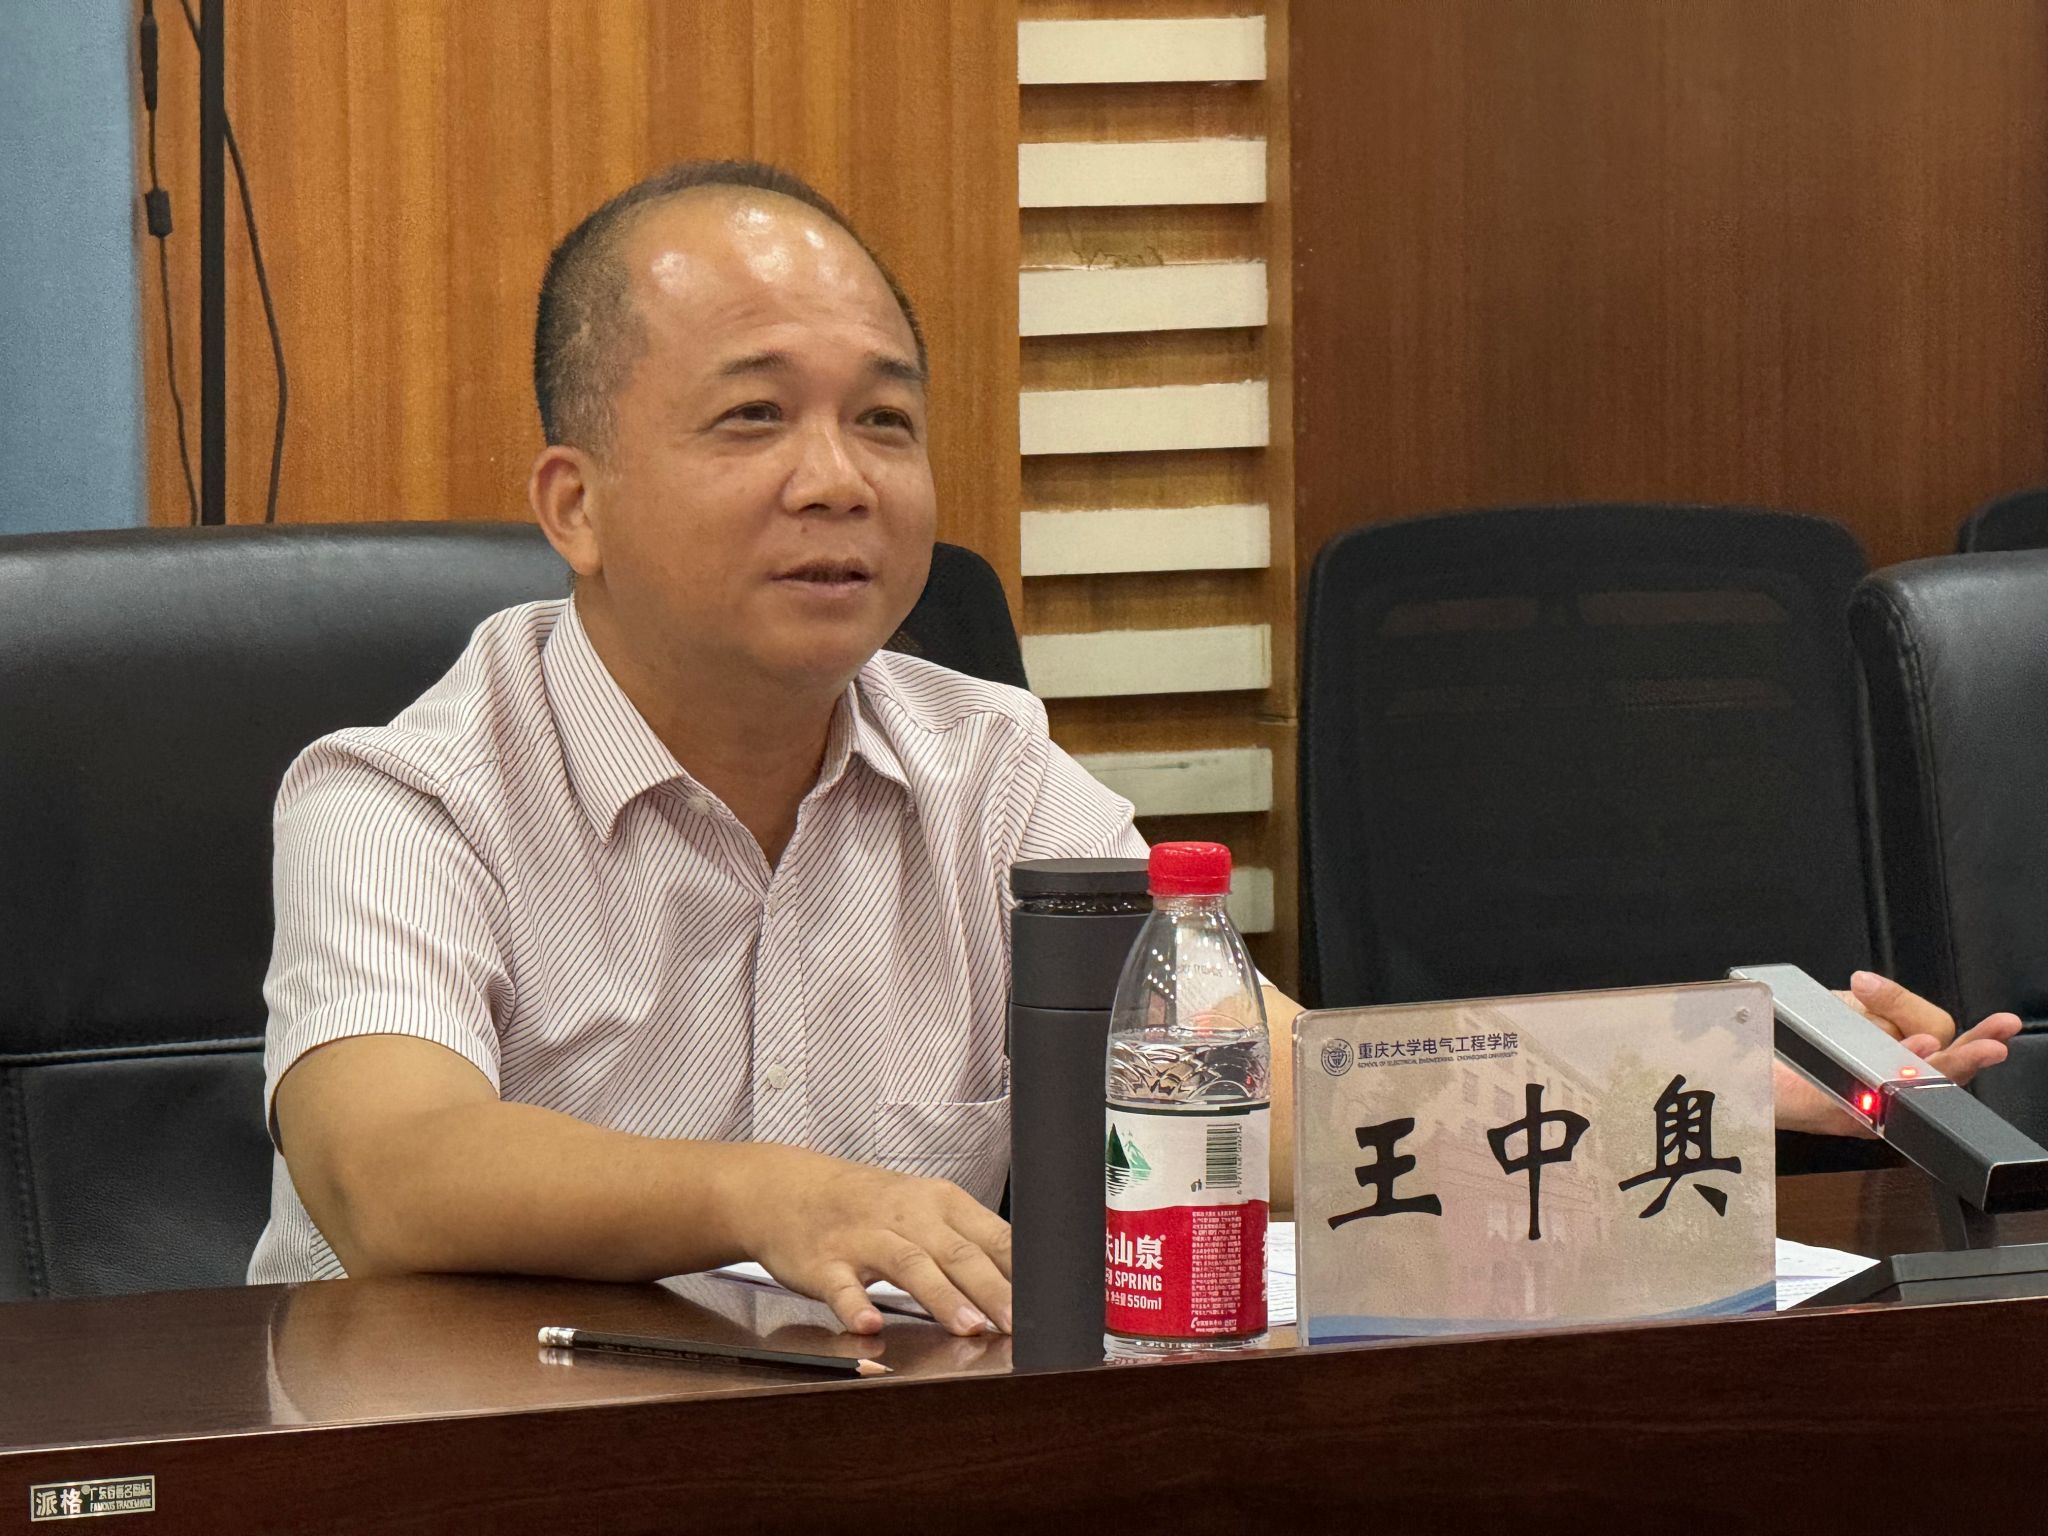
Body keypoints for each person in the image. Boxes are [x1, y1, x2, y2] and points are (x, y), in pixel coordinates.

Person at [248, 160, 2021, 1336]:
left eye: (885, 420)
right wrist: (773, 1199)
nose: (837, 479)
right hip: (477, 1469)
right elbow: (390, 1169)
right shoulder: (405, 795)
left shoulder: (990, 772)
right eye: (753, 417)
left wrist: (1716, 1081)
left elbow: (1278, 1092)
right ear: (574, 501)